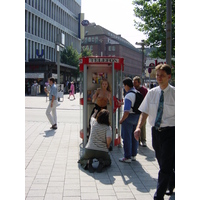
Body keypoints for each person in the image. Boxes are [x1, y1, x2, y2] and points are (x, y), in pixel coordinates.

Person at [134, 64, 175, 200]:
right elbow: (144, 112)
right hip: (156, 132)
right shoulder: (152, 93)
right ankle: (171, 182)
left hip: (171, 132)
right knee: (162, 161)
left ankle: (159, 195)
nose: (159, 78)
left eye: (162, 75)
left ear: (169, 77)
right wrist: (139, 127)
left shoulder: (176, 94)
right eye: (157, 75)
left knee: (165, 164)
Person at [118, 77, 140, 163]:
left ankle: (127, 157)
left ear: (127, 85)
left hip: (129, 118)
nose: (124, 87)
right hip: (137, 117)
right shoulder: (136, 92)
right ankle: (134, 155)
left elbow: (126, 111)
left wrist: (121, 120)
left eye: (124, 86)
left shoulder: (128, 95)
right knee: (134, 137)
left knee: (126, 138)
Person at [133, 76, 148, 147]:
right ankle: (137, 140)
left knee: (143, 125)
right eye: (133, 82)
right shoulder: (133, 90)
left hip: (143, 110)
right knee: (136, 125)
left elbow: (147, 100)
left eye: (135, 82)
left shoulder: (144, 90)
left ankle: (143, 140)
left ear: (139, 83)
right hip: (136, 110)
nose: (134, 84)